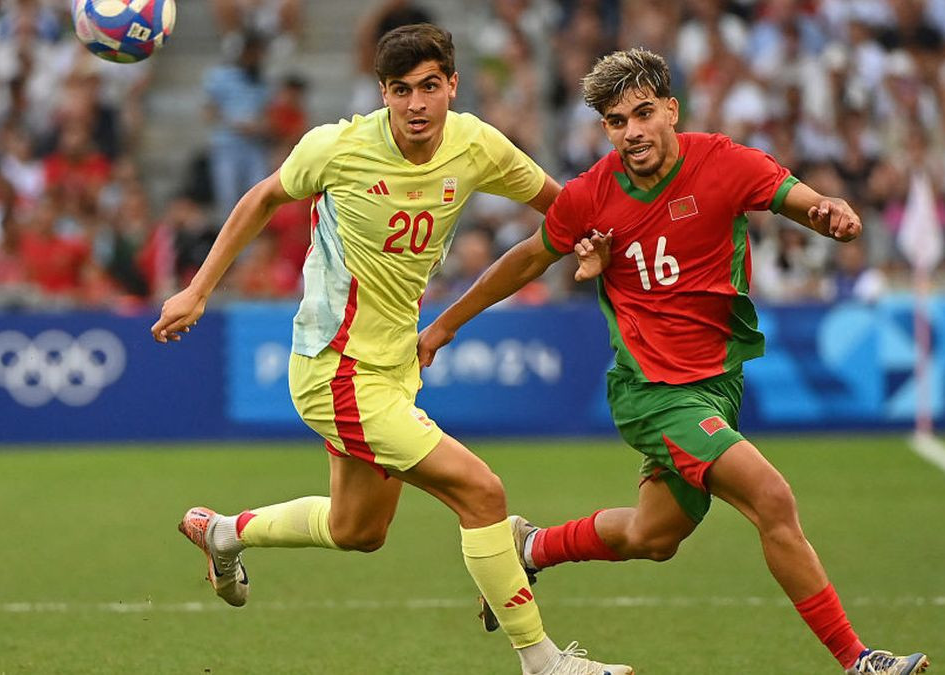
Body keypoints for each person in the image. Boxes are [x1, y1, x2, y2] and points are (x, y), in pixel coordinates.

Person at [417, 48, 930, 675]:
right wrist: (443, 326)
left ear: (671, 110)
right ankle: (857, 660)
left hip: (716, 385)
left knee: (652, 537)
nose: (631, 131)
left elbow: (797, 198)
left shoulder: (723, 161)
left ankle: (532, 546)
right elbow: (527, 258)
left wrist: (831, 212)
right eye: (615, 120)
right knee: (771, 499)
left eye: (642, 113)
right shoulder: (590, 194)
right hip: (652, 390)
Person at [152, 23, 631, 675]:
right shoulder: (340, 148)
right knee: (482, 493)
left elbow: (559, 203)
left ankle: (224, 532)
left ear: (452, 86)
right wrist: (198, 290)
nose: (416, 105)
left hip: (393, 365)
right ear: (382, 93)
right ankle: (543, 662)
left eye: (429, 87)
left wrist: (590, 241)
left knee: (359, 529)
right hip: (336, 370)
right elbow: (263, 196)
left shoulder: (474, 144)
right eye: (401, 90)